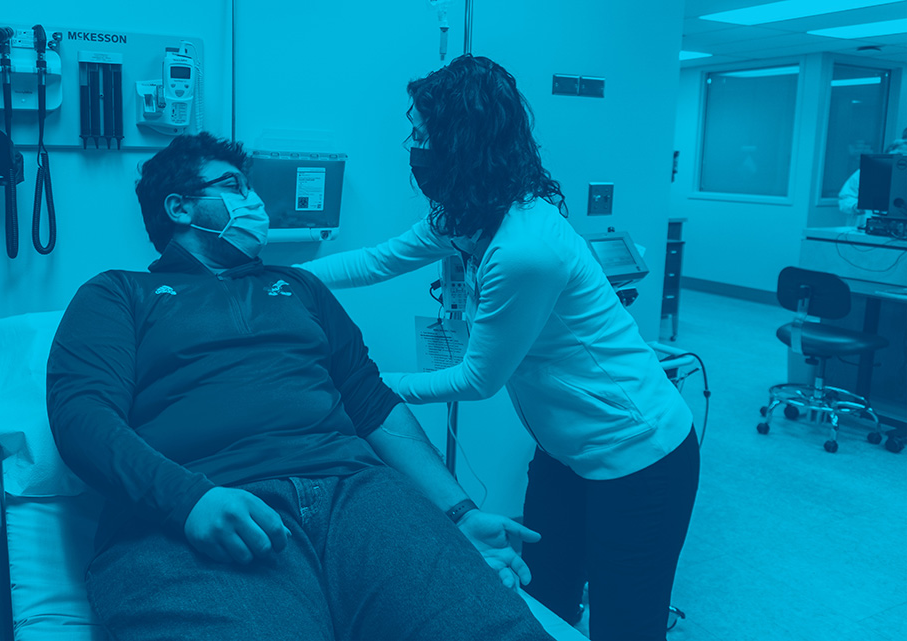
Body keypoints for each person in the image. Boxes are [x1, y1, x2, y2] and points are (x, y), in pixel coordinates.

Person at [47, 132, 556, 641]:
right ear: (179, 207)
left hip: (359, 498)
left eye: (251, 189)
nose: (253, 202)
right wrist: (188, 502)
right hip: (204, 507)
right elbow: (82, 416)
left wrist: (460, 513)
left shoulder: (299, 287)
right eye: (233, 186)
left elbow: (373, 404)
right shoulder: (119, 293)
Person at [298, 55, 699, 641]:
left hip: (640, 456)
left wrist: (368, 385)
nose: (415, 146)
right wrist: (278, 276)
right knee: (542, 600)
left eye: (424, 135)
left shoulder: (525, 247)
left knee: (625, 625)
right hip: (565, 452)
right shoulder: (466, 216)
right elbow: (377, 260)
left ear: (462, 143)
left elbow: (477, 380)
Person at [838, 128, 907, 227]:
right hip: (866, 230)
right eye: (897, 156)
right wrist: (857, 206)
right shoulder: (867, 172)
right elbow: (845, 198)